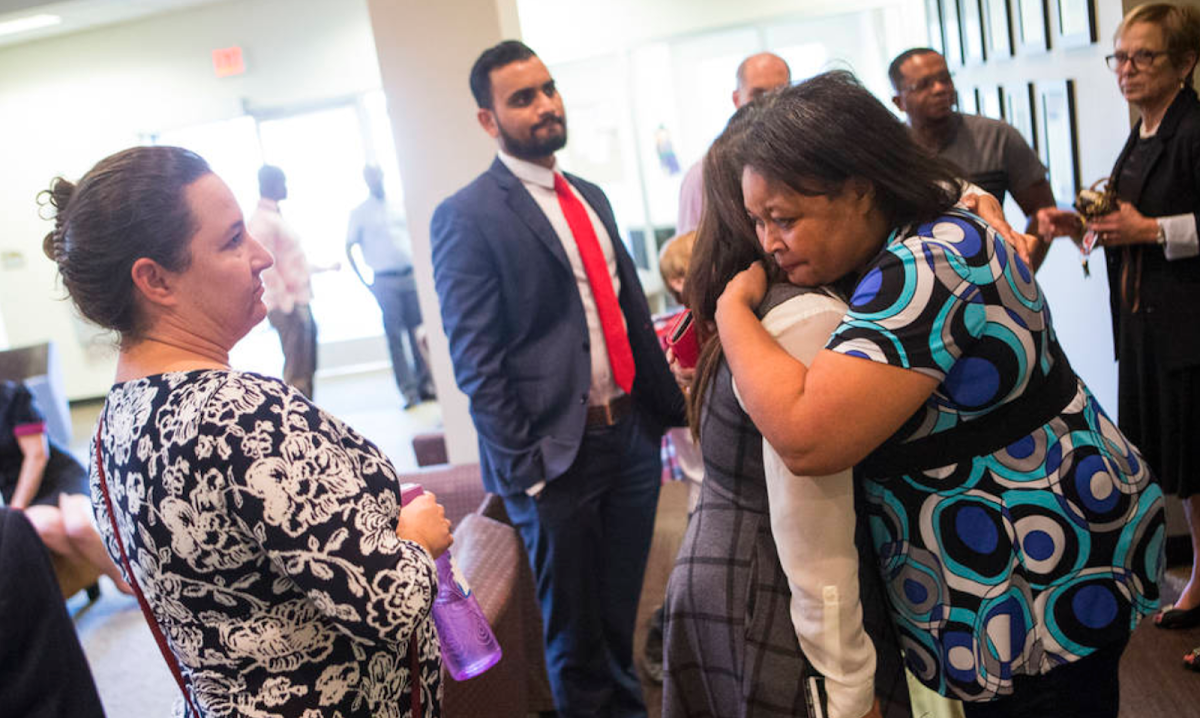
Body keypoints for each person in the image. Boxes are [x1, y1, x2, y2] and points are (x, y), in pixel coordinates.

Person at [714, 72, 1164, 717]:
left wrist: (733, 308)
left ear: (860, 189)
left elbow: (806, 437)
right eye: (757, 221)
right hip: (1021, 537)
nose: (767, 244)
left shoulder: (928, 263)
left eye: (783, 219)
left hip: (1033, 557)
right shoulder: (935, 218)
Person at [41, 145, 453, 717]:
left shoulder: (113, 423)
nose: (261, 255)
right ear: (155, 279)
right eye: (233, 240)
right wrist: (416, 535)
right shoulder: (245, 413)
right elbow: (387, 601)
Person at [431, 40, 685, 717]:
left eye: (548, 89)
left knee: (617, 617)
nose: (546, 105)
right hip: (555, 461)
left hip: (629, 438)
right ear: (489, 120)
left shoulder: (591, 196)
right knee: (574, 638)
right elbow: (477, 362)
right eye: (523, 98)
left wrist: (661, 413)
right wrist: (530, 472)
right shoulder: (467, 215)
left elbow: (630, 312)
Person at [663, 101, 910, 718]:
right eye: (767, 216)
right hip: (773, 589)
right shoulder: (807, 315)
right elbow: (813, 530)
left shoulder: (749, 302)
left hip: (724, 563)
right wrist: (849, 683)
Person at [1035, 2, 1200, 673]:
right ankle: (1198, 583)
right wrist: (1081, 227)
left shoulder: (1194, 130)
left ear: (1185, 63)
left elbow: (1160, 225)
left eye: (1143, 58)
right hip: (1148, 324)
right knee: (1186, 465)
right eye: (1120, 58)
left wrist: (1153, 232)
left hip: (1190, 325)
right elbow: (1129, 220)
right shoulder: (1144, 131)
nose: (1126, 71)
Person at [889, 48, 1055, 225]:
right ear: (899, 102)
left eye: (945, 79)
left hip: (988, 250)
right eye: (923, 84)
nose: (939, 89)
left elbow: (1045, 212)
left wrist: (1022, 252)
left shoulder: (997, 136)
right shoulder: (889, 150)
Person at [0, 380, 130, 595]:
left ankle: (124, 580)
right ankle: (114, 575)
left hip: (57, 475)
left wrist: (16, 509)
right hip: (17, 487)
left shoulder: (13, 396)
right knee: (46, 527)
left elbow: (37, 456)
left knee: (78, 526)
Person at [346, 164, 435, 409]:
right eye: (370, 176)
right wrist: (366, 283)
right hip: (384, 281)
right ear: (366, 180)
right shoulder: (360, 213)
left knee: (419, 333)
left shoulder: (400, 205)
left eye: (378, 174)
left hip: (411, 277)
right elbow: (349, 247)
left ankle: (426, 385)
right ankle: (408, 391)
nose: (375, 179)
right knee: (394, 337)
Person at [676, 52, 791, 234]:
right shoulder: (703, 176)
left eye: (780, 92)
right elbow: (687, 256)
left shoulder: (805, 161)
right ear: (737, 100)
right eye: (758, 94)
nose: (770, 103)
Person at [248, 164, 335, 400]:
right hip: (287, 306)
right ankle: (297, 426)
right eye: (282, 182)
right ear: (271, 185)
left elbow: (292, 261)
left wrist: (324, 268)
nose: (285, 188)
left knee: (307, 365)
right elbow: (266, 268)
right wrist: (287, 304)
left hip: (300, 300)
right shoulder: (261, 221)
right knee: (297, 370)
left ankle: (309, 417)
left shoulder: (276, 216)